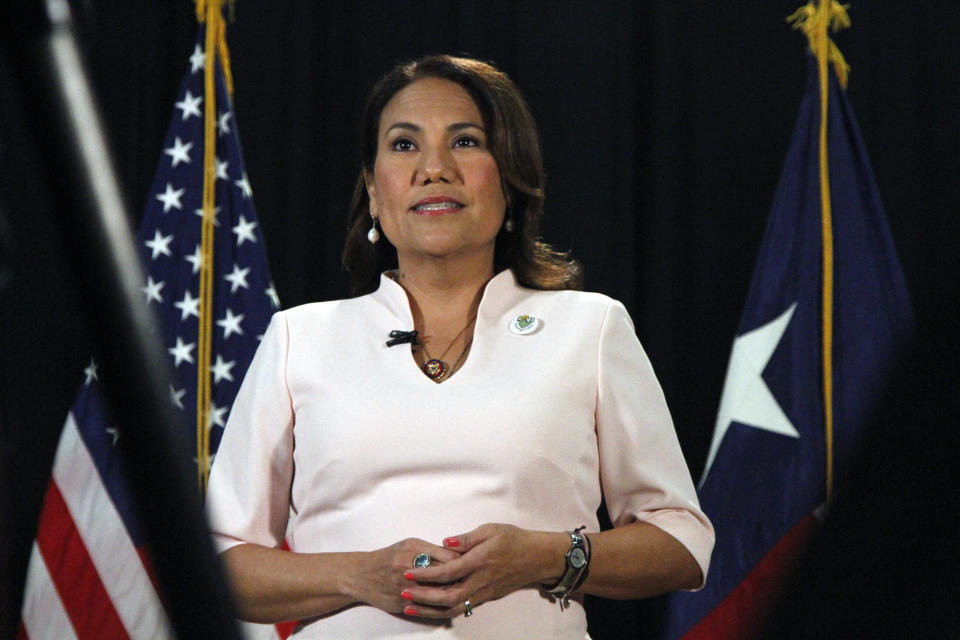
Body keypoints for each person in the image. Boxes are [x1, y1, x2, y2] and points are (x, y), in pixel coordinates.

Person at [205, 54, 714, 639]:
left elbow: (681, 542)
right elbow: (220, 564)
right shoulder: (299, 338)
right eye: (403, 145)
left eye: (466, 141)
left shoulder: (590, 328)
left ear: (510, 177)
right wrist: (360, 576)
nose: (434, 169)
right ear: (373, 189)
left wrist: (547, 556)